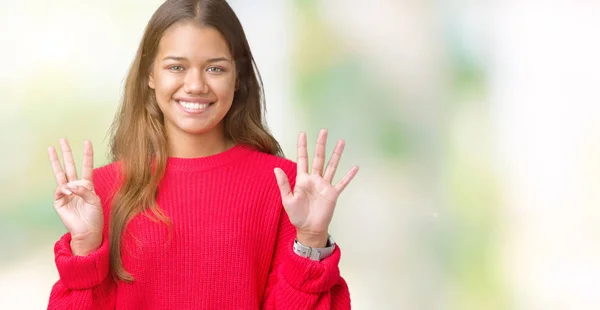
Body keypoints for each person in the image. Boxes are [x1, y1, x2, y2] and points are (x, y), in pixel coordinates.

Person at [46, 0, 358, 309]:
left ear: (237, 78)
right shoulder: (102, 193)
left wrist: (311, 240)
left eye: (215, 68)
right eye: (176, 67)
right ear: (150, 75)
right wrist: (84, 249)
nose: (195, 85)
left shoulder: (284, 187)